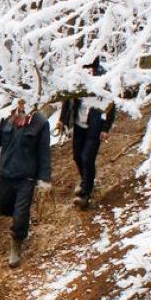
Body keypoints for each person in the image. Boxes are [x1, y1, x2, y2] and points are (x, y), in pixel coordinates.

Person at [0, 98, 51, 268]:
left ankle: (17, 241)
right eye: (18, 104)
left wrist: (44, 178)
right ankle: (21, 220)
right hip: (5, 175)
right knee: (4, 207)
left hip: (26, 178)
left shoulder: (40, 124)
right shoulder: (7, 119)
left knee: (20, 213)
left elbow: (44, 152)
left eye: (24, 104)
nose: (20, 108)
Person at [59, 58, 115, 209]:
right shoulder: (77, 78)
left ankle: (85, 194)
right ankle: (86, 181)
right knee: (77, 156)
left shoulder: (104, 80)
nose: (88, 70)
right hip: (79, 124)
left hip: (95, 125)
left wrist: (105, 128)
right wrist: (62, 120)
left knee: (87, 158)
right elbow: (67, 99)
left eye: (90, 68)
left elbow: (111, 104)